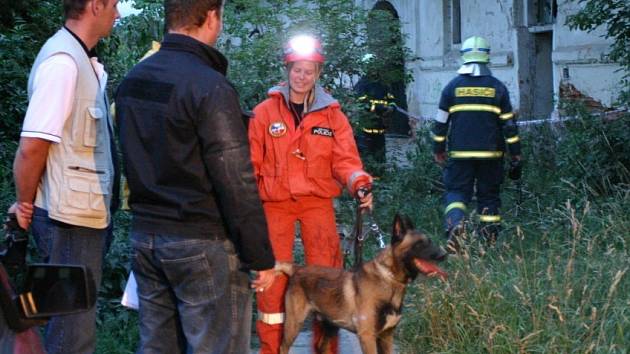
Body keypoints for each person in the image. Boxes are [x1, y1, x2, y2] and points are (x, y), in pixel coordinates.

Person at [115, 0, 276, 352]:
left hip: (146, 238)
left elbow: (125, 159)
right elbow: (235, 177)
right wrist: (259, 257)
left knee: (157, 347)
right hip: (201, 241)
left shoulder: (132, 81)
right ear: (211, 17)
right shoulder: (210, 86)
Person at [249, 34, 374, 354]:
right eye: (296, 70)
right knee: (271, 282)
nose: (301, 76)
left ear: (318, 73)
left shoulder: (332, 116)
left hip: (317, 205)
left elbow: (346, 161)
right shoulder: (264, 113)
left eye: (308, 71)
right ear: (287, 70)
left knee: (327, 283)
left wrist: (359, 182)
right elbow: (251, 163)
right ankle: (271, 350)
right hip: (275, 205)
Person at [9, 1, 120, 353]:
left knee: (71, 326)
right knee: (71, 334)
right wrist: (24, 203)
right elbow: (32, 147)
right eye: (114, 4)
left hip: (78, 216)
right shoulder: (63, 63)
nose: (117, 13)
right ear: (95, 5)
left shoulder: (78, 58)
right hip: (67, 220)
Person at [431, 36, 521, 251]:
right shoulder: (498, 88)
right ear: (486, 57)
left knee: (456, 192)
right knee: (488, 195)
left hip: (460, 154)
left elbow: (440, 124)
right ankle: (488, 241)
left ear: (464, 56)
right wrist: (515, 153)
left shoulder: (451, 88)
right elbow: (509, 126)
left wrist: (438, 149)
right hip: (491, 155)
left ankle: (455, 224)